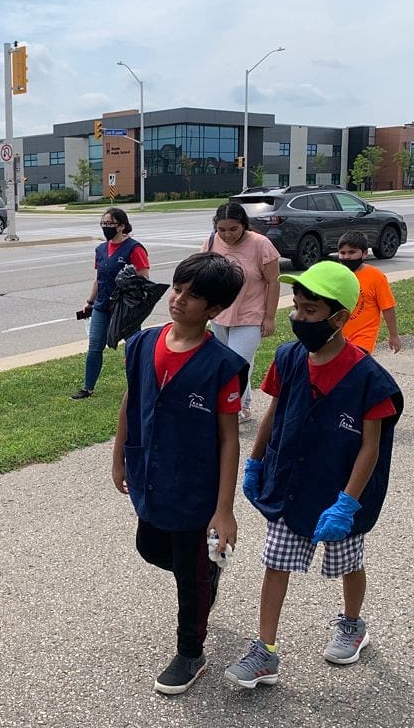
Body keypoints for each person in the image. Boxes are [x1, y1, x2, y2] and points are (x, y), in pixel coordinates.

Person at [225, 261, 403, 689]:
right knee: (275, 562)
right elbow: (272, 414)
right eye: (297, 308)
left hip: (338, 489)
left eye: (310, 311)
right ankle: (265, 650)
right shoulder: (288, 358)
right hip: (290, 484)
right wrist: (255, 462)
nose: (298, 318)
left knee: (347, 560)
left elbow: (370, 446)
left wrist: (348, 502)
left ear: (339, 317)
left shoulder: (369, 379)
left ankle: (352, 623)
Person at [112, 252, 247, 695]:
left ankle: (191, 651)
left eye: (193, 297)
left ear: (214, 310)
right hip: (150, 474)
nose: (179, 299)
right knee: (150, 546)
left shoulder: (223, 366)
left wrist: (224, 510)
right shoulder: (143, 344)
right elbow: (130, 404)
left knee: (189, 580)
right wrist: (118, 458)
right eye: (178, 288)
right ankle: (207, 577)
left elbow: (229, 439)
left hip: (195, 488)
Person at [202, 202, 280, 422]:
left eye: (233, 229)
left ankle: (235, 408)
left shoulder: (261, 244)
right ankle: (239, 405)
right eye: (222, 229)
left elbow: (273, 282)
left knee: (236, 363)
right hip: (220, 314)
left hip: (250, 315)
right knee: (228, 362)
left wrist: (270, 317)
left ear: (244, 225)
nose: (227, 235)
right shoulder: (211, 242)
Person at [71, 207, 150, 399]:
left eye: (110, 224)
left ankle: (138, 386)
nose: (106, 227)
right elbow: (99, 278)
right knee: (95, 346)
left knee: (133, 346)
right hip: (102, 305)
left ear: (122, 226)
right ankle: (88, 387)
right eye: (103, 224)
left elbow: (144, 276)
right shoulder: (101, 249)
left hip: (125, 307)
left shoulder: (134, 248)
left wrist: (129, 288)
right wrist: (89, 302)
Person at [337, 230, 402, 354]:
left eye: (352, 252)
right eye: (342, 253)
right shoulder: (336, 275)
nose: (346, 257)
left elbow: (388, 307)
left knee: (356, 366)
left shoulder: (375, 276)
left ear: (365, 253)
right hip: (339, 336)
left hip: (363, 337)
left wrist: (394, 335)